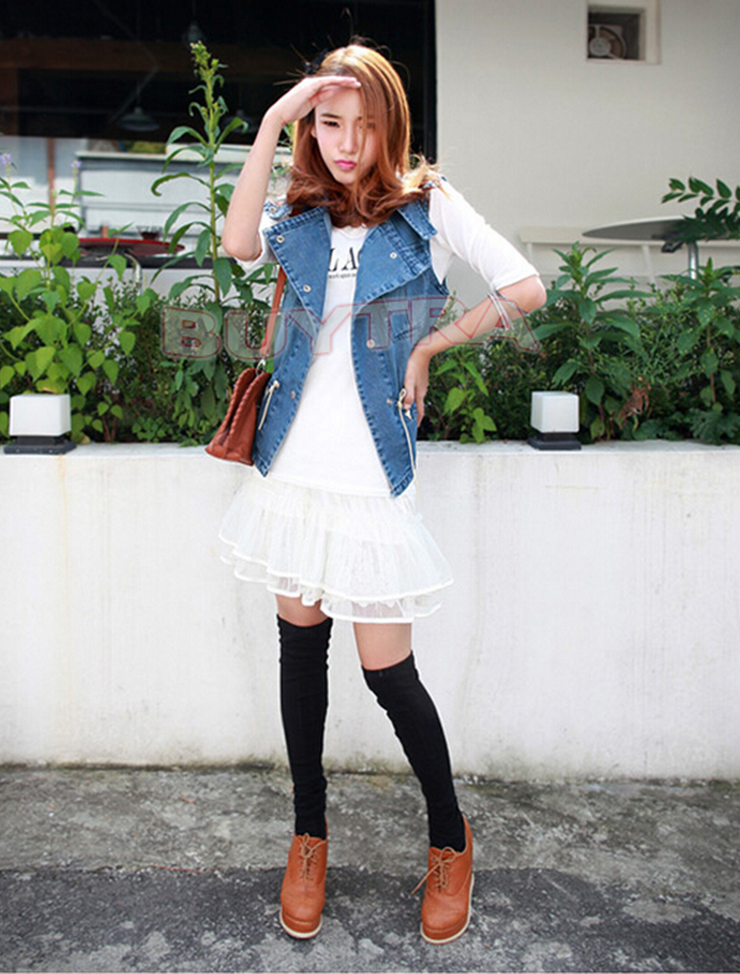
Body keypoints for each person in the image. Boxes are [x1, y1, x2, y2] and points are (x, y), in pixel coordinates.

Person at [219, 42, 546, 944]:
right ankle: (308, 836)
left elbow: (525, 287)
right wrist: (272, 120)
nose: (347, 142)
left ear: (392, 128)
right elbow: (236, 244)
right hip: (292, 469)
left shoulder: (428, 208)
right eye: (329, 123)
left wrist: (431, 345)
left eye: (365, 125)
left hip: (371, 477)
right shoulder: (298, 212)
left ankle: (450, 838)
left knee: (387, 672)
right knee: (300, 658)